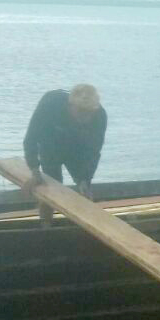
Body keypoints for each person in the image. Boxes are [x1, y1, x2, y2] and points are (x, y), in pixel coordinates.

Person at [22, 84, 107, 226]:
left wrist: (86, 178)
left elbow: (94, 151)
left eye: (89, 113)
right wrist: (34, 169)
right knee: (50, 187)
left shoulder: (100, 115)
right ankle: (46, 224)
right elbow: (30, 139)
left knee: (84, 189)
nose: (85, 117)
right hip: (51, 143)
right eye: (81, 112)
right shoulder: (50, 103)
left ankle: (87, 228)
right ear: (70, 105)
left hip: (78, 147)